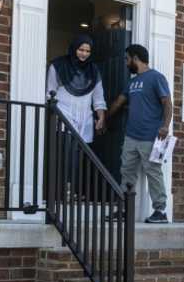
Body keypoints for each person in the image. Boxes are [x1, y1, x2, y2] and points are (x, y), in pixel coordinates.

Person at [106, 44, 173, 223]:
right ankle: (123, 210)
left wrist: (165, 126)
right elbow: (120, 101)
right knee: (126, 172)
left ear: (135, 58)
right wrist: (104, 118)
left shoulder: (156, 77)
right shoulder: (132, 82)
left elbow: (167, 102)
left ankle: (160, 211)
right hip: (131, 136)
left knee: (153, 172)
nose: (126, 63)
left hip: (151, 136)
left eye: (127, 59)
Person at [46, 35, 106, 199]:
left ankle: (74, 191)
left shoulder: (94, 71)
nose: (84, 54)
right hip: (63, 114)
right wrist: (55, 114)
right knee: (65, 155)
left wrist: (101, 117)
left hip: (85, 119)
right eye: (81, 49)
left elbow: (98, 98)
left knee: (79, 158)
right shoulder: (58, 66)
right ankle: (62, 191)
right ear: (74, 48)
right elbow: (49, 93)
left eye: (88, 51)